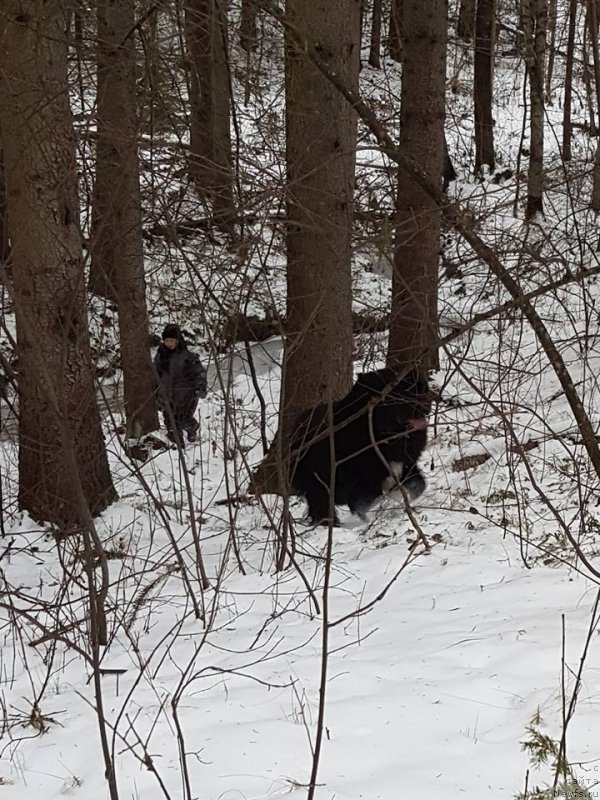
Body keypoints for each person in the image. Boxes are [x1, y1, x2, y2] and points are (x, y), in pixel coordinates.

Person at [154, 324, 207, 443]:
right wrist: (155, 393)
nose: (169, 343)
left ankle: (192, 428)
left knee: (183, 420)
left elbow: (199, 373)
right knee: (169, 421)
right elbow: (156, 375)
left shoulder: (188, 357)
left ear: (177, 340)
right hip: (167, 395)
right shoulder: (160, 356)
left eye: (171, 340)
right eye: (166, 340)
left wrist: (201, 387)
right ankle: (177, 446)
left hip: (186, 396)